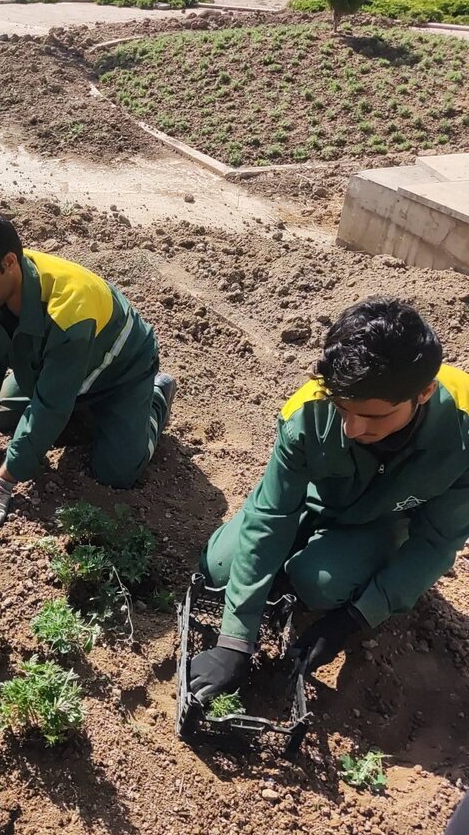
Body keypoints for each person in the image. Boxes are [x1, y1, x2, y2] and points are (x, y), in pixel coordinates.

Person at [189, 297, 469, 704]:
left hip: (385, 519)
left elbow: (437, 541)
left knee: (319, 585)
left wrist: (353, 619)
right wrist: (234, 639)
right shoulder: (309, 410)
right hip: (313, 501)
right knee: (219, 569)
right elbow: (271, 515)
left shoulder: (461, 433)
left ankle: (341, 563)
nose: (353, 428)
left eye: (374, 417)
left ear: (424, 392)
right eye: (343, 410)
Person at [0, 201, 176, 534]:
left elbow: (50, 406)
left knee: (116, 473)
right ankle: (87, 419)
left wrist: (2, 484)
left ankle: (156, 398)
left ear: (8, 263)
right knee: (2, 418)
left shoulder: (70, 310)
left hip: (120, 371)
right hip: (58, 363)